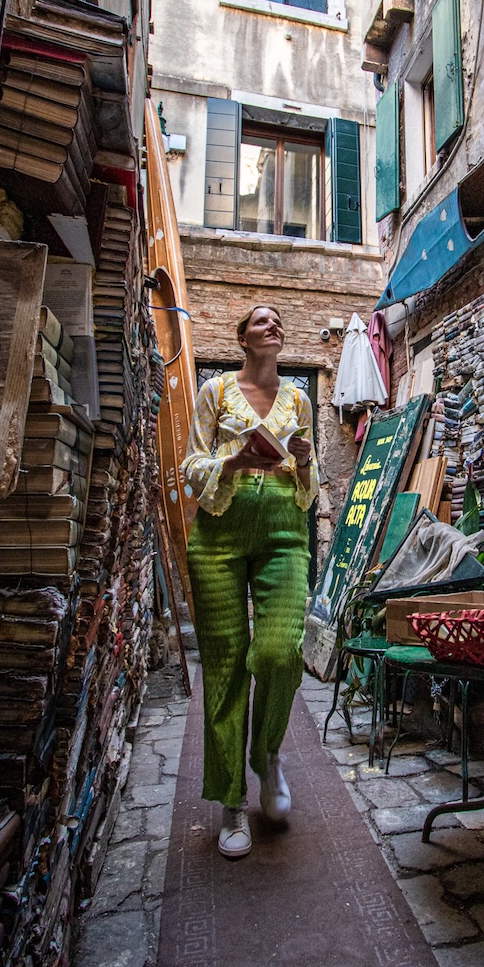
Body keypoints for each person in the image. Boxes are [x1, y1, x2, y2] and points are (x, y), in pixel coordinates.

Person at [181, 305, 318, 858]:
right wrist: (233, 462)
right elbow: (190, 466)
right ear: (242, 338)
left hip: (284, 530)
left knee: (282, 651)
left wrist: (304, 461)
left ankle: (267, 755)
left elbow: (308, 482)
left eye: (280, 320)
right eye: (262, 322)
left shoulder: (300, 399)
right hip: (218, 534)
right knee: (226, 666)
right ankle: (232, 802)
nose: (275, 326)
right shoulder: (214, 393)